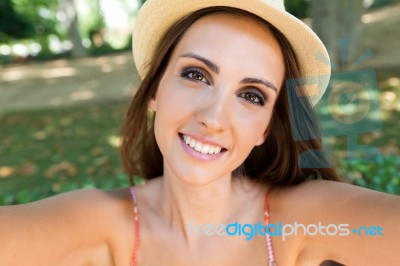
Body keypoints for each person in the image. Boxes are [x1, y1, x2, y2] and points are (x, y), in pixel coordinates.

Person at [0, 0, 399, 265]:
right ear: (155, 88)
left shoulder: (305, 217)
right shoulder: (100, 222)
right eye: (196, 74)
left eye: (251, 95)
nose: (213, 117)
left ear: (265, 129)